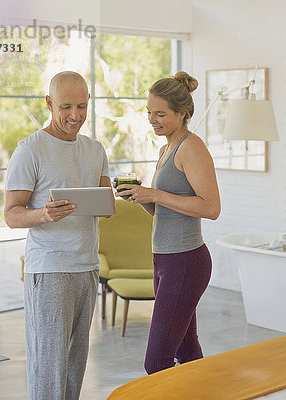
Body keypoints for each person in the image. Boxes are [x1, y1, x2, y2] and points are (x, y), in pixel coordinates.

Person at [4, 71, 113, 400]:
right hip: (50, 270)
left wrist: (109, 203)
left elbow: (105, 206)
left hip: (87, 267)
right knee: (49, 367)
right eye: (66, 106)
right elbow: (11, 213)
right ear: (49, 103)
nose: (75, 115)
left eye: (82, 106)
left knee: (74, 364)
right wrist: (43, 214)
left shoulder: (96, 150)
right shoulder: (30, 150)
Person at [115, 71, 221, 374]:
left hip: (185, 261)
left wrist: (156, 193)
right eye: (149, 112)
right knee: (187, 351)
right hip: (165, 260)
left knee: (157, 361)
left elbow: (211, 208)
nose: (152, 119)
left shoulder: (192, 147)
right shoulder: (165, 150)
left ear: (182, 113)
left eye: (160, 114)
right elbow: (165, 209)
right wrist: (141, 196)